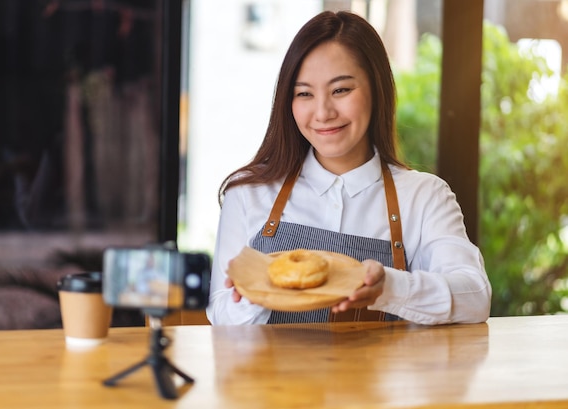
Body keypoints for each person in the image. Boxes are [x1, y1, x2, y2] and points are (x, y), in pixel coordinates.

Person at [206, 10, 491, 326]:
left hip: (379, 377)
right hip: (271, 377)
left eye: (341, 90)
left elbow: (475, 297)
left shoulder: (424, 197)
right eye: (304, 94)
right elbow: (220, 314)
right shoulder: (248, 192)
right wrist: (257, 293)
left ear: (376, 89)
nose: (323, 112)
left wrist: (391, 287)